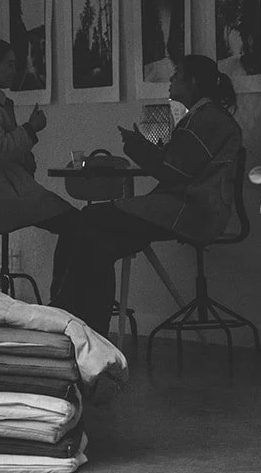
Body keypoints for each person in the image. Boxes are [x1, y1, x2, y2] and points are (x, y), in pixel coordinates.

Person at [49, 54, 243, 335]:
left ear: (192, 81)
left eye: (177, 74)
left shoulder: (207, 119)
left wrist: (138, 146)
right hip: (181, 206)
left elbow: (174, 170)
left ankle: (66, 311)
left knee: (88, 219)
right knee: (96, 243)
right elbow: (179, 165)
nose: (170, 80)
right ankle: (77, 320)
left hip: (189, 210)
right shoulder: (204, 118)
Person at [0, 37, 74, 244]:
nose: (14, 71)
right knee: (75, 224)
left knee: (74, 224)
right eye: (9, 65)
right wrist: (30, 129)